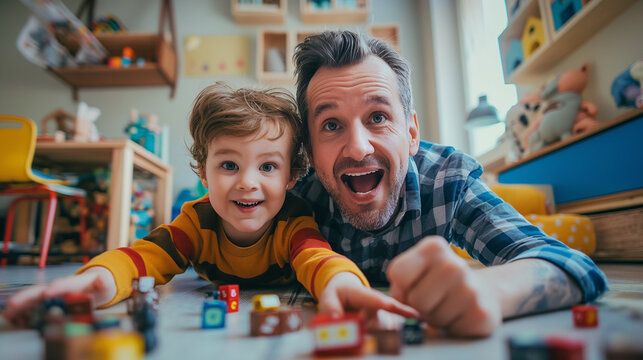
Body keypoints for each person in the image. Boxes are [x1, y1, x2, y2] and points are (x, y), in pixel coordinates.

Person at [3, 82, 417, 328]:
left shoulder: (292, 221)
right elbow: (142, 258)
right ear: (203, 173)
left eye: (268, 166)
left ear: (292, 177)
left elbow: (317, 258)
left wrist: (342, 286)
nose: (246, 182)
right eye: (228, 165)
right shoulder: (196, 222)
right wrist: (97, 282)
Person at [291, 30, 608, 336]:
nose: (359, 148)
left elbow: (573, 266)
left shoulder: (448, 181)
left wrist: (488, 290)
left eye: (377, 117)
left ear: (412, 133)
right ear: (310, 151)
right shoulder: (297, 198)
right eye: (331, 125)